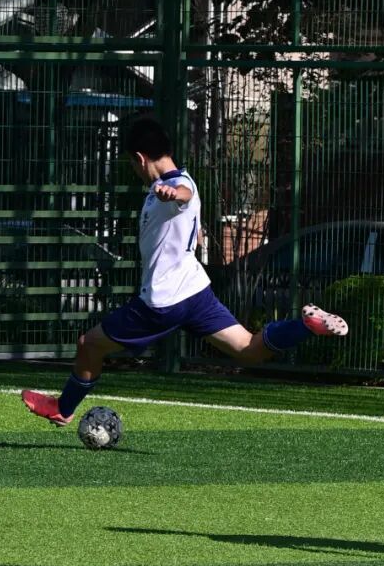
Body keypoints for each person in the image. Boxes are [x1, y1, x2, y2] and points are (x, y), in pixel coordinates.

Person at [22, 111, 348, 425]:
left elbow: (184, 195)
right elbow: (188, 213)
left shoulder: (175, 186)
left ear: (140, 158)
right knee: (249, 349)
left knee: (89, 344)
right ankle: (307, 325)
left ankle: (63, 409)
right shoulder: (179, 179)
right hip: (195, 292)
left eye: (132, 163)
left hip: (162, 301)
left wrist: (173, 195)